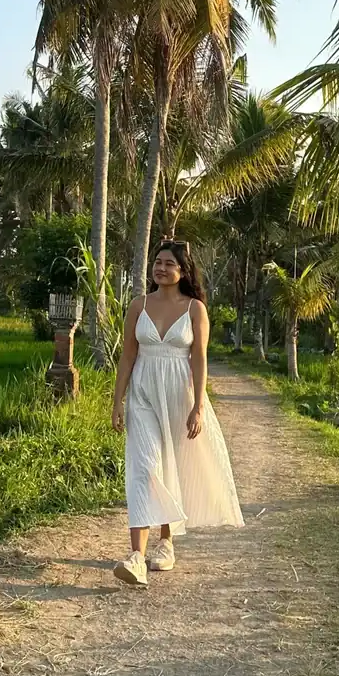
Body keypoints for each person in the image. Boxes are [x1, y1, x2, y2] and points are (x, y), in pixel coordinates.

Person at [110, 240, 244, 586]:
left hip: (179, 394)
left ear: (183, 270)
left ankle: (166, 542)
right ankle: (136, 557)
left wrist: (199, 406)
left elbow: (199, 358)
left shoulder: (195, 309)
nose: (161, 268)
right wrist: (117, 400)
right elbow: (127, 356)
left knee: (170, 465)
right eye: (157, 262)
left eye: (169, 263)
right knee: (143, 468)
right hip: (142, 394)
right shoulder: (138, 306)